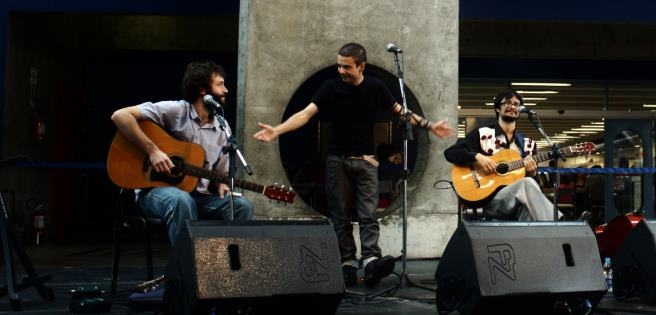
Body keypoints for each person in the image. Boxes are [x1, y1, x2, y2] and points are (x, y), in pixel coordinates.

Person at [253, 42, 455, 287]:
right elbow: (305, 114)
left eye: (347, 67)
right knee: (340, 216)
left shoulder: (376, 87)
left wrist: (430, 126)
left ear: (361, 66)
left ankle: (371, 261)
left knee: (368, 214)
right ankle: (346, 263)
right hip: (337, 162)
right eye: (339, 66)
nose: (341, 71)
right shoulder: (330, 88)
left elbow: (401, 112)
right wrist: (277, 130)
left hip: (366, 161)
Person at [111, 60, 255, 248]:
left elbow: (221, 171)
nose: (226, 90)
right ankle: (189, 269)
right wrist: (153, 151)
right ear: (203, 90)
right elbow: (120, 116)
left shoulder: (222, 127)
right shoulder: (176, 111)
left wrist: (221, 182)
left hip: (199, 197)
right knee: (181, 200)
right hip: (155, 192)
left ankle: (223, 268)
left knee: (242, 206)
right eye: (220, 84)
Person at [444, 90, 559, 221]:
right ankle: (558, 224)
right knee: (527, 184)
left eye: (517, 104)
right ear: (498, 108)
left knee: (529, 198)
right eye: (508, 103)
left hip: (518, 201)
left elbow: (534, 186)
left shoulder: (528, 144)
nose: (513, 106)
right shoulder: (482, 134)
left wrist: (533, 173)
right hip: (488, 200)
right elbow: (450, 153)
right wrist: (476, 157)